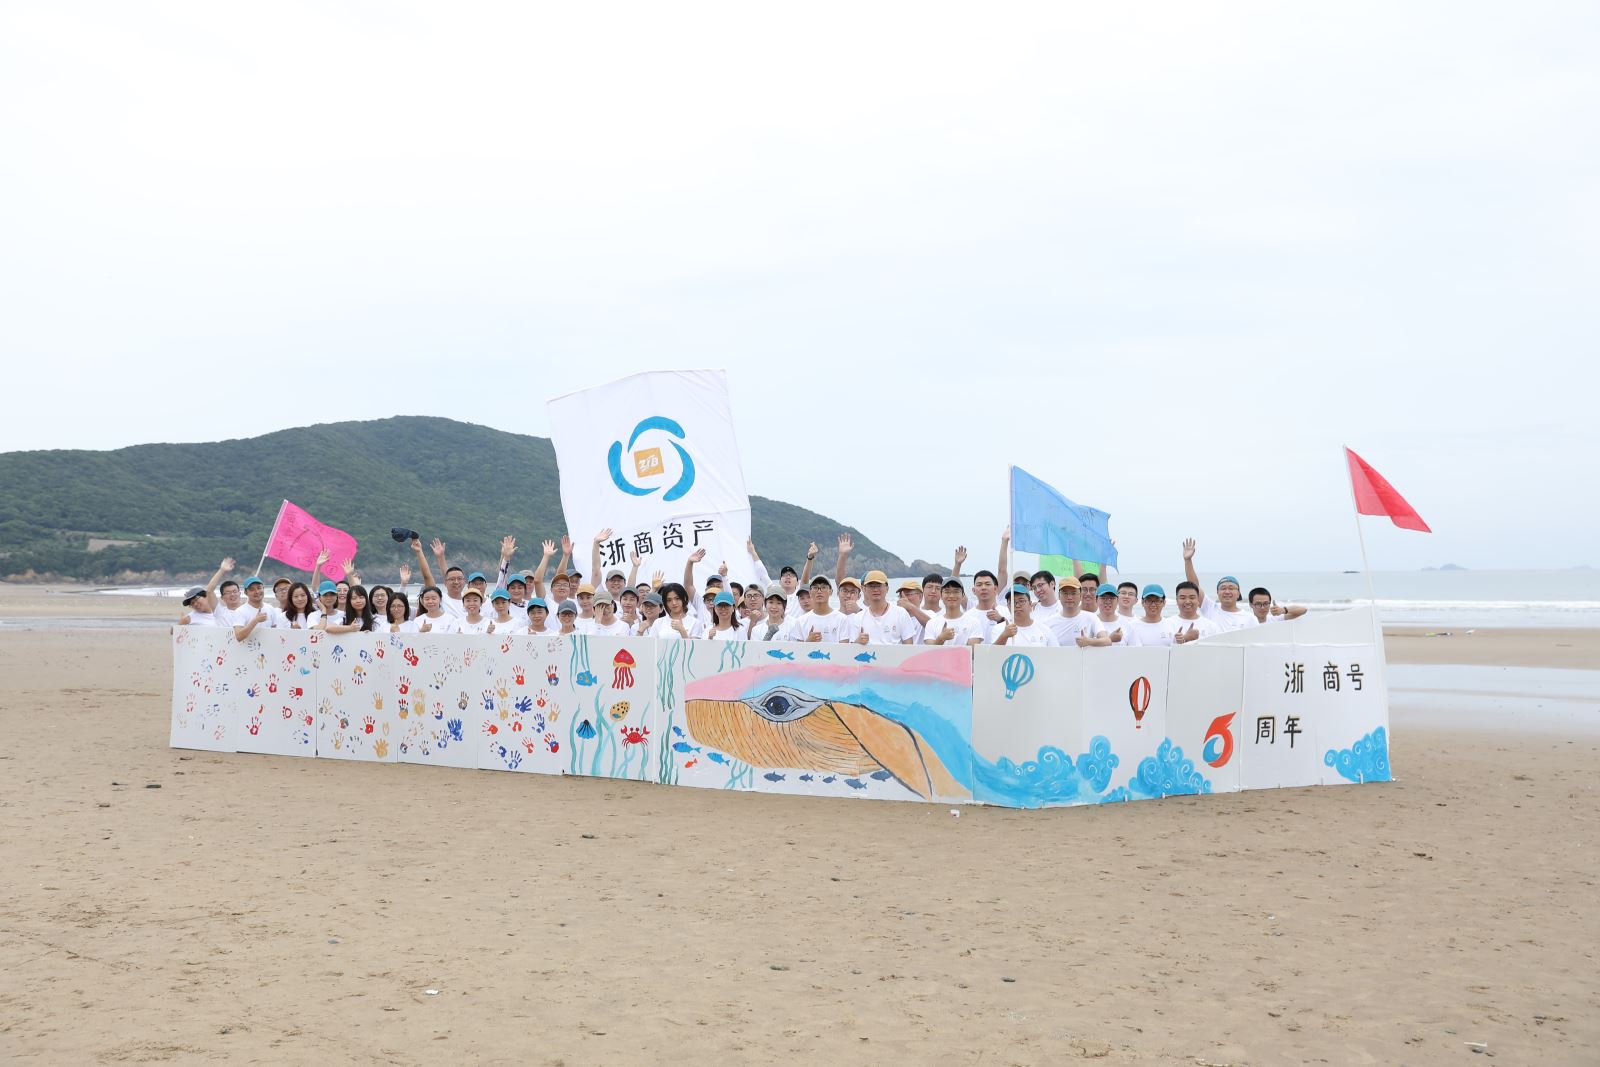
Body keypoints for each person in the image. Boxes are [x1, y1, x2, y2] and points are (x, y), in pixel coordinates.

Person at [1180, 539, 1258, 632]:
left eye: (1231, 588)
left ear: (1238, 593)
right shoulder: (1210, 608)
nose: (1227, 591)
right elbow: (1194, 585)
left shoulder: (1249, 618)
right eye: (1223, 588)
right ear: (1217, 593)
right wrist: (1188, 560)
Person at [1042, 575, 1112, 647]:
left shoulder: (1091, 618)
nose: (1069, 597)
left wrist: (1088, 641)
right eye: (1065, 593)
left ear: (1080, 595)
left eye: (1073, 593)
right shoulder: (1048, 622)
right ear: (1059, 595)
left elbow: (1107, 641)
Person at [854, 571, 920, 645]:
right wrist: (857, 642)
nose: (875, 589)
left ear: (887, 588)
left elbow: (909, 646)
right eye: (871, 586)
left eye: (879, 585)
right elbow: (851, 649)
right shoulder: (858, 617)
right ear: (864, 589)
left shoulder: (900, 613)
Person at [923, 577, 987, 647]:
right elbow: (930, 651)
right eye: (947, 592)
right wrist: (941, 638)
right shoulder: (931, 623)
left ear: (963, 595)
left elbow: (972, 651)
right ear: (941, 595)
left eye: (956, 591)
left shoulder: (974, 622)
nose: (951, 596)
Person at [992, 586, 1059, 646]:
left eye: (1021, 601)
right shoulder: (999, 629)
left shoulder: (1044, 630)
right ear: (1008, 606)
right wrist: (1004, 636)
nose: (1017, 605)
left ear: (1030, 604)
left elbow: (1056, 654)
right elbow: (992, 654)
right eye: (1012, 602)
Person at [177, 557, 234, 625]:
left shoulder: (220, 611)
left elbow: (209, 590)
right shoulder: (189, 618)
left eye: (196, 599)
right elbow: (174, 630)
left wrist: (222, 570)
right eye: (192, 603)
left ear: (206, 596)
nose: (195, 604)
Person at [796, 574, 852, 643]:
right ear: (810, 592)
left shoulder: (842, 619)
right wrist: (808, 642)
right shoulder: (801, 621)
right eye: (815, 587)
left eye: (823, 587)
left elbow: (844, 648)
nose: (819, 591)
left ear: (831, 591)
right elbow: (798, 649)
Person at [834, 575, 866, 642]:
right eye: (845, 591)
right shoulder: (832, 616)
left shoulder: (863, 616)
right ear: (838, 593)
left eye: (852, 592)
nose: (848, 596)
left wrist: (858, 611)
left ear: (859, 596)